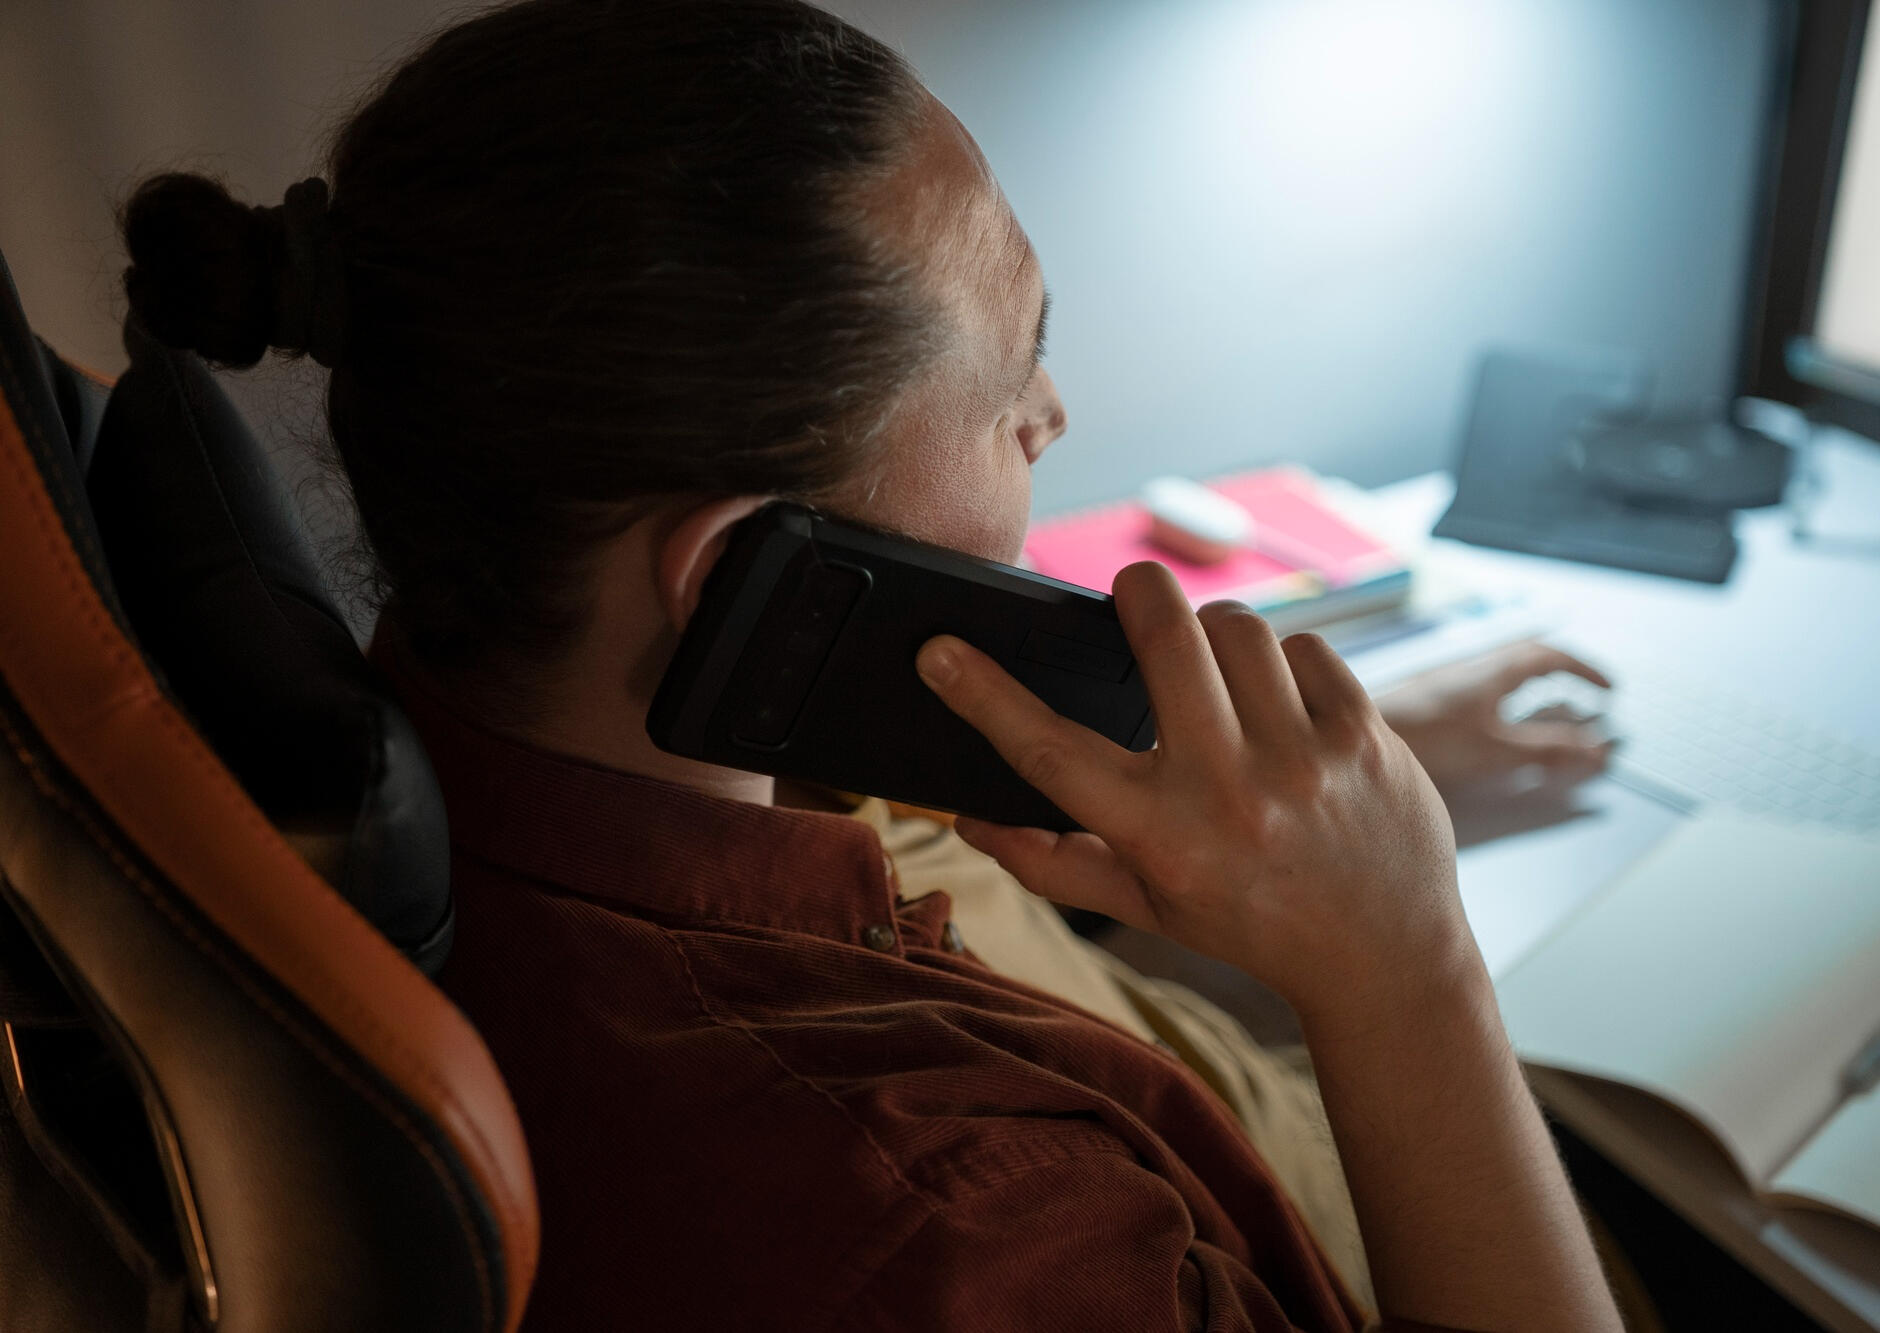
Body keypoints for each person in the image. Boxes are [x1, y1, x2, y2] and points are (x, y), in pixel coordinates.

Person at [118, 1, 1628, 1328]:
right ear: (742, 578)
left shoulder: (570, 736)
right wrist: (1407, 959)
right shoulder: (962, 1231)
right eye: (1005, 382)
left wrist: (1232, 802)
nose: (1053, 414)